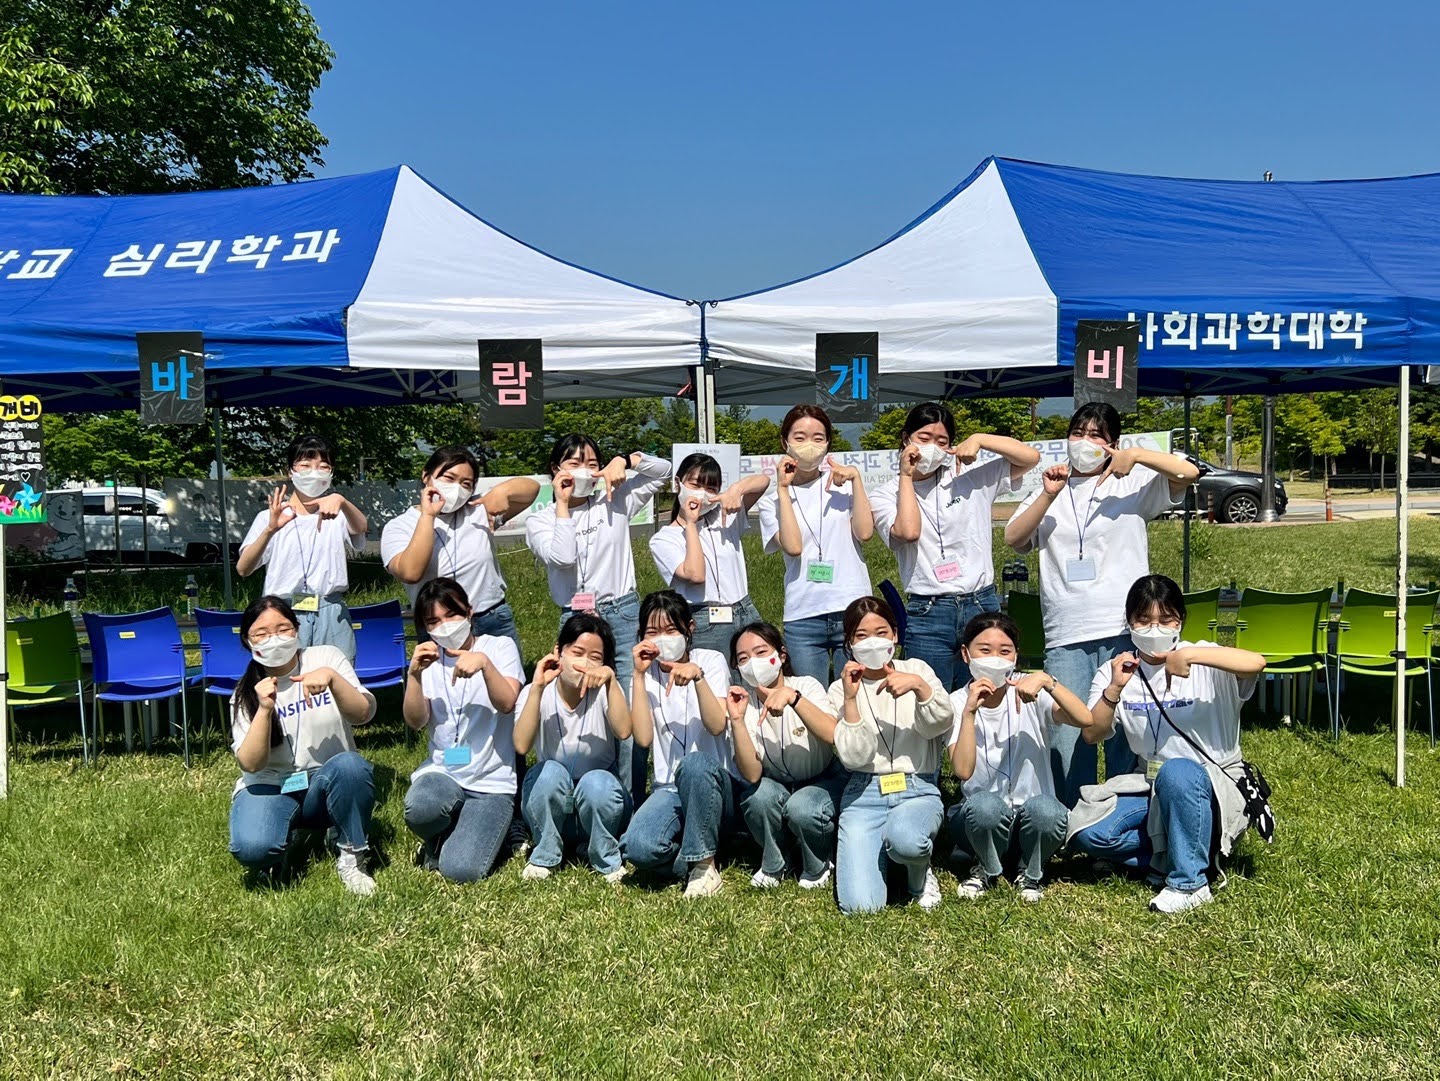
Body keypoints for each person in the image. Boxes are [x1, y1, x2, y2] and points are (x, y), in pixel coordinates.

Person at [1003, 403, 1200, 807]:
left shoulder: (1132, 482)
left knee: (1125, 729)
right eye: (1078, 433)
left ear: (1113, 442)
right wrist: (1047, 495)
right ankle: (1071, 817)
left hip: (1124, 629)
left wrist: (1137, 456)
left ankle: (1124, 813)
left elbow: (1188, 474)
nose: (1085, 442)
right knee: (1069, 734)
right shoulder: (1052, 485)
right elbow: (1014, 538)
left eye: (1096, 435)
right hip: (1066, 631)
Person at [1068, 575, 1267, 914]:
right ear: (1129, 622)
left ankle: (1190, 883)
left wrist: (1190, 655)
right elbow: (1093, 733)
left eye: (1166, 619)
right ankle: (1179, 852)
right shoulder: (1116, 670)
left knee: (1178, 772)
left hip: (1211, 782)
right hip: (1150, 783)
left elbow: (1256, 663)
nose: (1154, 629)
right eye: (1143, 620)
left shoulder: (1205, 656)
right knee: (1090, 833)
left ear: (1181, 620)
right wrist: (1114, 689)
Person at [525, 435, 672, 803]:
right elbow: (562, 557)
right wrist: (562, 504)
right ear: (555, 470)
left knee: (629, 705)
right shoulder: (540, 521)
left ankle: (630, 801)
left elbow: (663, 472)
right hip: (575, 619)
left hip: (621, 612)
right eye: (574, 463)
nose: (584, 472)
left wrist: (627, 459)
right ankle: (582, 792)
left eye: (592, 464)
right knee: (580, 705)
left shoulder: (614, 498)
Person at [871, 402, 1040, 691]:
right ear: (906, 438)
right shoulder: (885, 494)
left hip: (980, 602)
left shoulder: (968, 476)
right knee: (929, 697)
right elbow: (908, 532)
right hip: (929, 610)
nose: (932, 448)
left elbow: (1030, 458)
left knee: (985, 693)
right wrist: (906, 476)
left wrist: (980, 439)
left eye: (942, 441)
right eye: (924, 438)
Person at [227, 595, 379, 895]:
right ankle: (281, 842)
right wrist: (265, 709)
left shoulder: (326, 657)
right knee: (253, 849)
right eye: (261, 633)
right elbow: (251, 764)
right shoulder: (245, 693)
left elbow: (363, 715)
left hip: (325, 780)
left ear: (297, 630)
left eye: (283, 629)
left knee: (351, 766)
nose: (274, 639)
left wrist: (333, 679)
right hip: (272, 785)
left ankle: (351, 855)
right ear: (248, 641)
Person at [946, 612, 1089, 903]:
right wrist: (969, 713)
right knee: (984, 806)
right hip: (980, 821)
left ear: (1015, 656)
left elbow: (1084, 719)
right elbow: (962, 770)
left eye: (1005, 651)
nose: (994, 659)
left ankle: (1030, 871)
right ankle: (985, 866)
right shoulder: (956, 702)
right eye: (984, 650)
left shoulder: (1029, 689)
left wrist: (1048, 682)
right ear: (966, 654)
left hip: (1031, 819)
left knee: (1048, 810)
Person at [620, 590, 753, 898]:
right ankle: (707, 851)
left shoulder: (710, 660)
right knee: (637, 849)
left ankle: (704, 868)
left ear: (689, 628)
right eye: (653, 632)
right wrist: (638, 676)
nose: (662, 639)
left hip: (714, 783)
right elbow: (642, 738)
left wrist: (698, 679)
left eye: (671, 630)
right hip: (669, 788)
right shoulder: (644, 674)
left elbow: (717, 725)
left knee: (693, 764)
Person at [829, 596, 954, 914]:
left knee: (907, 839)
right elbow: (854, 757)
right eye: (861, 635)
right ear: (850, 644)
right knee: (860, 907)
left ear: (895, 635)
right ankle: (888, 858)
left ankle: (918, 875)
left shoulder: (917, 669)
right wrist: (851, 700)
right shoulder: (840, 688)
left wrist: (920, 688)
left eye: (881, 632)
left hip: (916, 787)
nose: (873, 641)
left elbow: (940, 724)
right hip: (864, 794)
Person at [402, 578, 526, 884]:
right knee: (420, 808)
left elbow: (507, 703)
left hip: (491, 781)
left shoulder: (499, 647)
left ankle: (476, 828)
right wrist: (414, 675)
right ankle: (439, 834)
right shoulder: (428, 660)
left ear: (469, 612)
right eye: (433, 621)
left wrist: (485, 665)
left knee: (461, 869)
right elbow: (416, 721)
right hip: (444, 772)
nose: (445, 626)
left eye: (452, 615)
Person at [755, 404, 874, 686]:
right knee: (810, 698)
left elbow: (865, 532)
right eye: (799, 437)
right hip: (804, 615)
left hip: (852, 608)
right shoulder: (772, 502)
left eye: (818, 438)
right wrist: (783, 489)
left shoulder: (844, 485)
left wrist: (856, 480)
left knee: (856, 695)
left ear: (828, 443)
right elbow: (793, 547)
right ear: (785, 442)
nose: (809, 445)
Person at [382, 445, 540, 652]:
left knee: (505, 673)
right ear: (426, 476)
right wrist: (428, 516)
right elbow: (410, 572)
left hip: (490, 617)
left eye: (466, 484)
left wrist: (502, 491)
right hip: (440, 625)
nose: (456, 488)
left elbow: (531, 489)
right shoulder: (399, 526)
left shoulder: (478, 510)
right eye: (449, 478)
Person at [512, 613, 634, 882]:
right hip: (552, 806)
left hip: (601, 805)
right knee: (548, 772)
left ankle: (604, 856)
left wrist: (612, 682)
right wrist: (537, 688)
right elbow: (521, 744)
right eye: (577, 652)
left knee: (596, 782)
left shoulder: (605, 691)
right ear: (559, 652)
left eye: (595, 657)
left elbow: (624, 731)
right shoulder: (536, 691)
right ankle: (546, 854)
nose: (584, 663)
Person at [727, 622, 847, 890]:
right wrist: (736, 721)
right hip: (778, 783)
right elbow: (752, 774)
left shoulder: (805, 685)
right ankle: (776, 859)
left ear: (781, 655)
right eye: (743, 658)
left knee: (803, 807)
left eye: (761, 652)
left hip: (824, 777)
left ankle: (818, 861)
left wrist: (794, 699)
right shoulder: (743, 702)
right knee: (757, 797)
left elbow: (832, 734)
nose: (753, 663)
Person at [237, 434, 368, 660]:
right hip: (282, 613)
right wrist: (270, 530)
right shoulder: (270, 517)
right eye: (305, 465)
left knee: (338, 674)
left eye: (323, 466)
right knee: (284, 676)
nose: (314, 473)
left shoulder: (338, 514)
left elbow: (360, 527)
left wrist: (342, 501)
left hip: (330, 609)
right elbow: (243, 568)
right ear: (291, 471)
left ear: (331, 472)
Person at [648, 451, 769, 657]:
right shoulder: (664, 539)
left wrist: (736, 489)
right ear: (678, 483)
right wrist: (691, 524)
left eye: (711, 488)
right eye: (695, 485)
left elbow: (763, 481)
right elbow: (695, 575)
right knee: (713, 675)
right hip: (704, 619)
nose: (702, 493)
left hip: (744, 610)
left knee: (753, 673)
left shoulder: (724, 517)